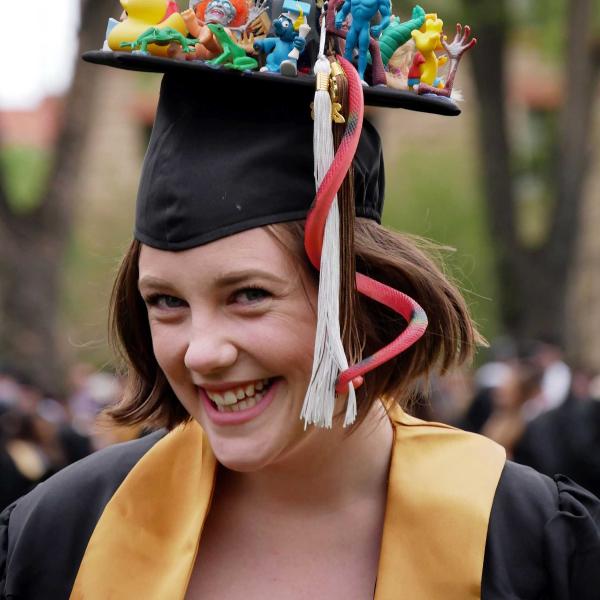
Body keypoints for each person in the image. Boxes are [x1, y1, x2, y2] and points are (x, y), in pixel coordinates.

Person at [1, 2, 599, 598]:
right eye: (166, 302)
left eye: (249, 295)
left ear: (360, 290)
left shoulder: (527, 542)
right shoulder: (62, 537)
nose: (201, 353)